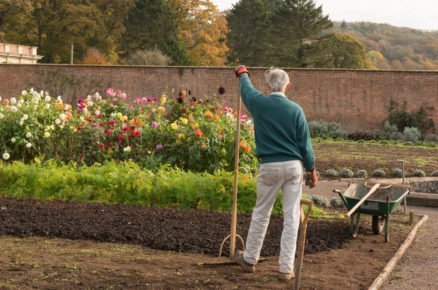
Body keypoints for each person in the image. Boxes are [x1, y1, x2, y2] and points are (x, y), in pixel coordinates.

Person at [233, 65, 318, 281]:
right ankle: (285, 269)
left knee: (262, 212)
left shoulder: (259, 103)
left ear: (267, 85)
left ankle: (250, 259)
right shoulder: (296, 110)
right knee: (291, 217)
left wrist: (243, 74)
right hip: (293, 167)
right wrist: (312, 169)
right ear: (287, 86)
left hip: (269, 166)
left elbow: (246, 90)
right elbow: (305, 145)